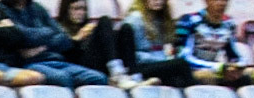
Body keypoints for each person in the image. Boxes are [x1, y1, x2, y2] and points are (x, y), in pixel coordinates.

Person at [56, 0, 190, 87]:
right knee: (104, 20)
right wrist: (76, 39)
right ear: (66, 10)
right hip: (79, 65)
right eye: (76, 9)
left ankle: (132, 76)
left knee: (125, 29)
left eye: (84, 9)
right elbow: (63, 53)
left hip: (103, 63)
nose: (81, 13)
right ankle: (118, 73)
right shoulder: (59, 28)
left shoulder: (87, 27)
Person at [175, 0, 254, 87]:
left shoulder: (229, 23)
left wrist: (237, 66)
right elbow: (183, 57)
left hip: (215, 68)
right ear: (207, 1)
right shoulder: (188, 20)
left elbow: (233, 54)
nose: (221, 3)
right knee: (206, 76)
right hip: (190, 70)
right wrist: (219, 67)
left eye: (224, 0)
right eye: (217, 0)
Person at [122, 0, 197, 87]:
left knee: (176, 78)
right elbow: (131, 57)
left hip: (156, 61)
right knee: (181, 64)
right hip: (140, 66)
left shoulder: (162, 19)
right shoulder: (134, 20)